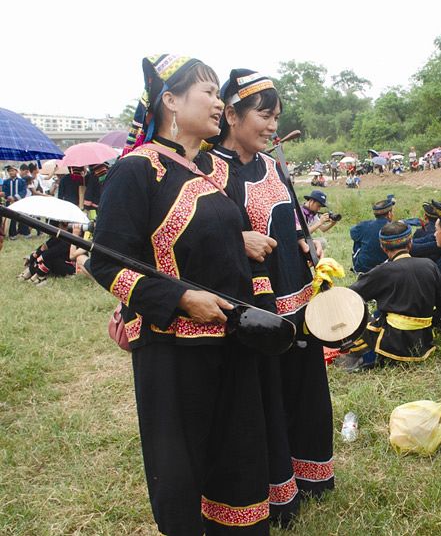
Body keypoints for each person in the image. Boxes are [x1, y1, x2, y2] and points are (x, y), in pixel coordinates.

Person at [89, 54, 272, 534]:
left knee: (236, 454)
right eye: (208, 92)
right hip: (173, 349)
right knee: (181, 467)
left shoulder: (207, 173)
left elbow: (209, 246)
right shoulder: (136, 170)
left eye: (218, 93)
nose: (218, 102)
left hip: (231, 341)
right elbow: (105, 261)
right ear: (170, 100)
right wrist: (180, 300)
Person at [211, 68, 334, 518]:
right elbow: (199, 238)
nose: (271, 126)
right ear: (230, 115)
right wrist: (235, 240)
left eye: (276, 117)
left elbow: (290, 222)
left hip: (296, 296)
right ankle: (275, 490)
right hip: (252, 308)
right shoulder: (207, 172)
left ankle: (311, 475)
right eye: (263, 115)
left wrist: (307, 241)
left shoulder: (274, 166)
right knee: (265, 397)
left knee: (302, 390)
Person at [347, 221, 441, 369]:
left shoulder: (382, 271)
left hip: (392, 342)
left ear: (383, 247)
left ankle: (368, 356)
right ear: (410, 243)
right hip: (423, 340)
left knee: (358, 316)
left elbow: (351, 294)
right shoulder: (430, 265)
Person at [350, 196, 394, 273]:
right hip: (386, 268)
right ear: (389, 214)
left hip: (362, 269)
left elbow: (352, 233)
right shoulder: (394, 228)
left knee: (358, 238)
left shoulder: (364, 225)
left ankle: (358, 264)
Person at [2, 165, 31, 239]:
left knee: (22, 217)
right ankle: (12, 234)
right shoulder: (6, 182)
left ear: (16, 171)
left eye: (13, 170)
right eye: (9, 171)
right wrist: (7, 197)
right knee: (11, 218)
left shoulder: (22, 181)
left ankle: (25, 232)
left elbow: (23, 191)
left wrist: (15, 197)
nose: (11, 172)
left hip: (19, 201)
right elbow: (4, 192)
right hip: (10, 202)